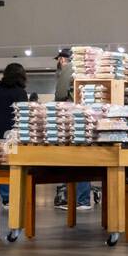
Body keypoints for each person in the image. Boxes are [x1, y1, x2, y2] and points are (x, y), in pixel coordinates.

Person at [51, 48, 93, 212]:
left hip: (72, 118)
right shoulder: (88, 67)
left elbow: (60, 95)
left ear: (62, 59)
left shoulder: (69, 69)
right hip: (88, 117)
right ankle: (82, 198)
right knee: (84, 159)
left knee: (74, 159)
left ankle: (79, 199)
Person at [0, 63, 29, 207]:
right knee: (13, 165)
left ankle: (6, 197)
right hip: (12, 136)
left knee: (2, 166)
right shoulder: (20, 92)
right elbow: (23, 117)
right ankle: (13, 196)